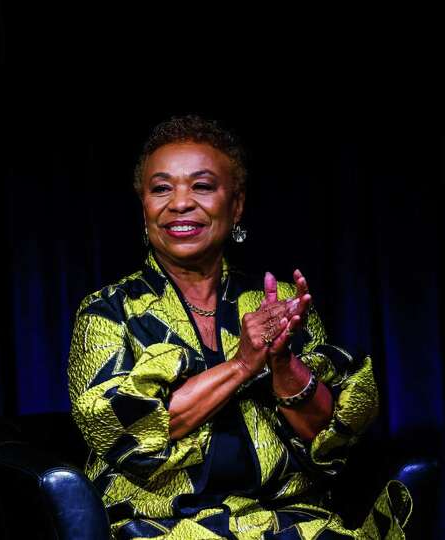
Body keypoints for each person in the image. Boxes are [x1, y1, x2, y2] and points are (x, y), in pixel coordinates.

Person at [67, 116, 411, 539]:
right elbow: (123, 431)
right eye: (161, 188)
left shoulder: (280, 301)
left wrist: (282, 363)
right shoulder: (107, 312)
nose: (179, 203)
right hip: (159, 524)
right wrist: (243, 366)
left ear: (237, 204)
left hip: (285, 520)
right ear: (144, 207)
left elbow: (325, 437)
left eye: (202, 186)